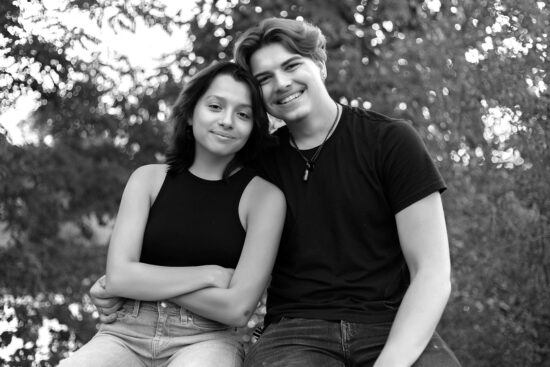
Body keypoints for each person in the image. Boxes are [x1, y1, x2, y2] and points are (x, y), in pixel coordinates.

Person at [91, 17, 462, 366]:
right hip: (295, 332)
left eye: (291, 66)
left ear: (320, 63)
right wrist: (121, 285)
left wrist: (392, 362)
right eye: (264, 78)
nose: (281, 83)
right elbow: (192, 225)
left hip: (388, 322)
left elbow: (431, 271)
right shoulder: (255, 165)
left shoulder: (390, 141)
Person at [60, 61, 286, 367]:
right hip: (125, 332)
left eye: (243, 114)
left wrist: (141, 281)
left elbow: (237, 309)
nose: (228, 121)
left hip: (208, 339)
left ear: (253, 128)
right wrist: (210, 275)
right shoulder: (148, 179)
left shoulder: (264, 198)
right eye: (216, 106)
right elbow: (119, 276)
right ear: (191, 113)